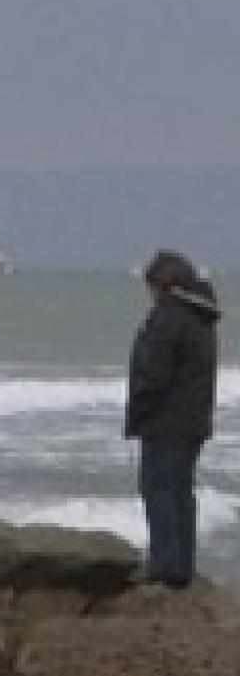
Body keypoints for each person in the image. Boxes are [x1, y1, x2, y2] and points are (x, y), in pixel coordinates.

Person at [124, 249, 221, 588]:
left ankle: (165, 565)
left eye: (150, 287)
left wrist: (139, 410)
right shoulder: (201, 317)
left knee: (159, 489)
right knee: (180, 491)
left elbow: (154, 374)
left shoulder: (168, 318)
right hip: (193, 419)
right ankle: (181, 565)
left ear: (162, 285)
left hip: (166, 421)